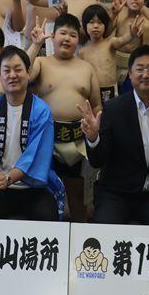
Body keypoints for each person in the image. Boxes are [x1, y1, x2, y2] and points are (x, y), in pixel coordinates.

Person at [79, 45, 149, 225]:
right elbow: (97, 161)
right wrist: (93, 138)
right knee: (105, 225)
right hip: (117, 192)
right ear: (130, 74)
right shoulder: (113, 109)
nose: (145, 74)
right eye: (139, 69)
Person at [0, 46, 65, 221]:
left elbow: (37, 154)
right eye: (6, 70)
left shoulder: (41, 111)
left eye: (18, 69)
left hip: (33, 187)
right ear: (0, 76)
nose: (12, 75)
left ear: (28, 73)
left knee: (46, 217)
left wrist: (9, 177)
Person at [28, 13, 102, 222]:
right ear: (52, 36)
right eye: (63, 33)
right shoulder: (42, 62)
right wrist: (35, 45)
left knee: (77, 194)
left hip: (77, 140)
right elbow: (23, 75)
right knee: (45, 193)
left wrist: (95, 128)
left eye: (72, 34)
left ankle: (79, 233)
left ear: (78, 40)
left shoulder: (86, 68)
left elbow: (96, 104)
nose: (67, 38)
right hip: (46, 139)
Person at [79, 4, 144, 103]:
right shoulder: (82, 52)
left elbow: (123, 40)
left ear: (105, 25)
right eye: (91, 22)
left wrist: (131, 34)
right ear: (84, 26)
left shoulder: (110, 43)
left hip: (111, 90)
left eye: (100, 22)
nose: (96, 26)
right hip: (92, 92)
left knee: (112, 111)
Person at [114, 0, 148, 91]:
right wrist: (113, 15)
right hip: (114, 63)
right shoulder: (119, 13)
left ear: (145, 1)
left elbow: (144, 51)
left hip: (132, 67)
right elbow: (107, 34)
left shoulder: (145, 22)